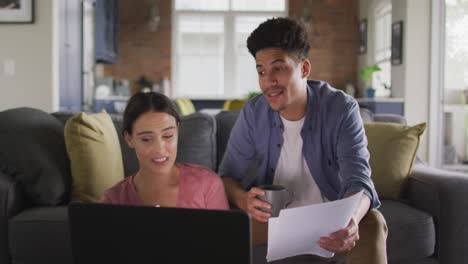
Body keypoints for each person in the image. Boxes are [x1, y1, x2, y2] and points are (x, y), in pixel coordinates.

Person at [219, 17, 387, 263]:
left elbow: (360, 181)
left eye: (278, 68)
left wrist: (351, 220)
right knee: (220, 231)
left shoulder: (341, 108)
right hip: (273, 220)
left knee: (373, 221)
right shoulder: (254, 112)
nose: (268, 81)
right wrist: (243, 199)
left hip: (330, 220)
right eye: (262, 71)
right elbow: (227, 176)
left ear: (304, 68)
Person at [101, 92, 229, 210]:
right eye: (146, 139)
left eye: (168, 136)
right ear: (129, 139)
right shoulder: (113, 200)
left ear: (177, 130)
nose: (160, 148)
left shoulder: (207, 184)